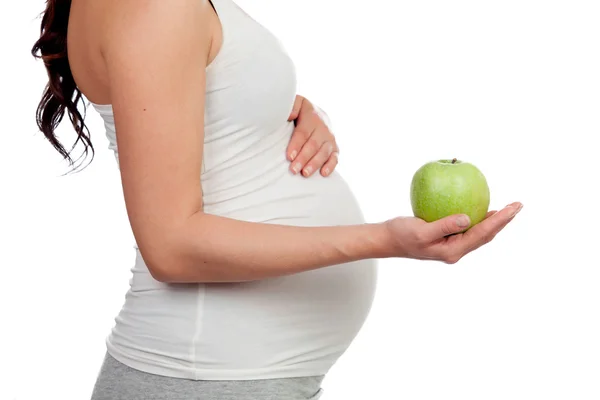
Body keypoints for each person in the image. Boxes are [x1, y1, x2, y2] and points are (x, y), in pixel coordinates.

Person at [31, 0, 522, 399]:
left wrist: (289, 112)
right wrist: (385, 239)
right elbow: (171, 246)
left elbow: (209, 106)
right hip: (204, 376)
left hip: (233, 376)